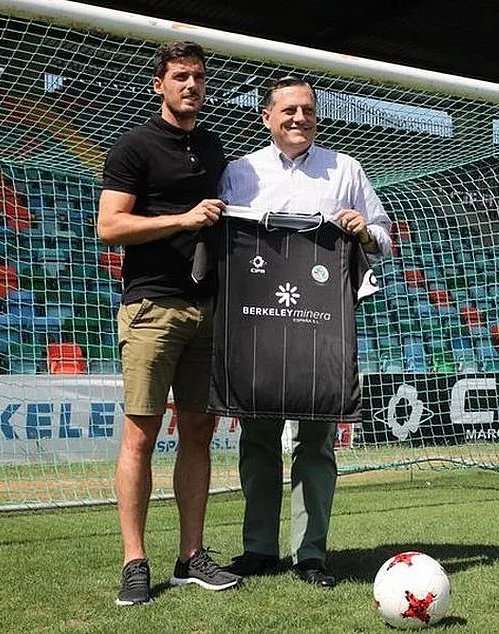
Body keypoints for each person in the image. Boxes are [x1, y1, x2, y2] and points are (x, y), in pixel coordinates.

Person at [218, 77, 392, 588]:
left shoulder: (346, 169)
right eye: (289, 110)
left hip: (322, 328)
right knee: (258, 440)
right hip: (259, 327)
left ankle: (310, 554)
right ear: (267, 117)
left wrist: (364, 231)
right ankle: (258, 549)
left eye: (309, 110)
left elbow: (384, 238)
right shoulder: (240, 171)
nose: (300, 118)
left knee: (316, 443)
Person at [97, 40, 240, 606]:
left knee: (200, 430)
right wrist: (182, 218)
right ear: (159, 84)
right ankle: (134, 562)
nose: (191, 85)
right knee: (141, 433)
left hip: (208, 308)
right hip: (152, 306)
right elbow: (109, 226)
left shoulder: (212, 146)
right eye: (180, 76)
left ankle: (191, 557)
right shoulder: (134, 146)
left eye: (198, 77)